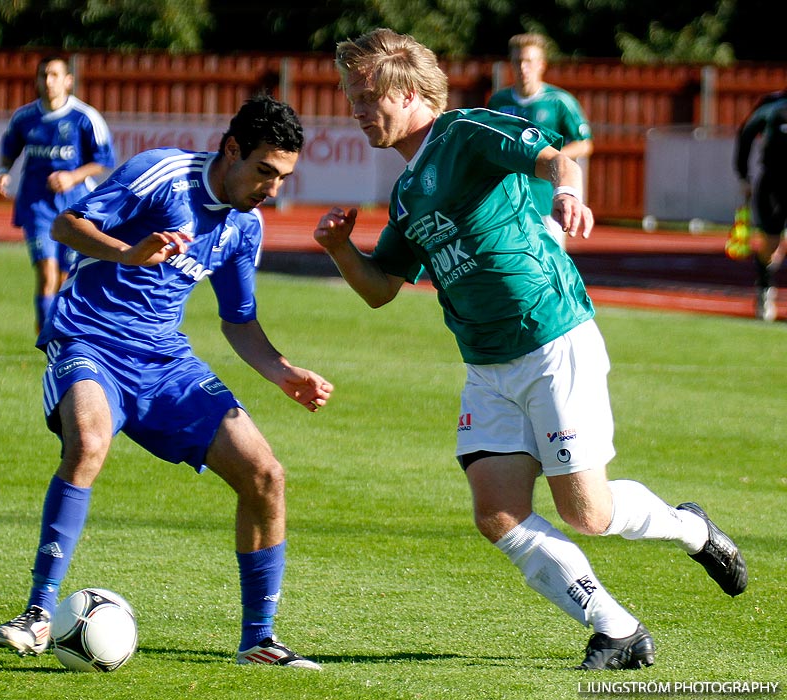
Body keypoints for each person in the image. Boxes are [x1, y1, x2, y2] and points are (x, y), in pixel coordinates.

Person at [314, 28, 747, 671]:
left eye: (363, 94)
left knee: (587, 514)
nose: (354, 110)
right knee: (497, 513)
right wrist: (340, 250)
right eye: (351, 96)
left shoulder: (465, 133)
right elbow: (381, 289)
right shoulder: (406, 194)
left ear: (407, 92)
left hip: (551, 340)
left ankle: (691, 528)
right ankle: (617, 628)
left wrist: (568, 192)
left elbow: (554, 160)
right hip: (486, 366)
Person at [0, 94, 332, 670]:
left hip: (166, 362)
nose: (271, 190)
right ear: (232, 149)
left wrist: (283, 373)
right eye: (264, 172)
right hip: (90, 340)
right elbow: (68, 224)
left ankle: (259, 640)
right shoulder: (162, 173)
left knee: (266, 475)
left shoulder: (244, 228)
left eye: (283, 178)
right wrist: (130, 254)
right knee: (89, 442)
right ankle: (38, 613)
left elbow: (238, 320)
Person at [0, 54, 116, 332]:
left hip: (75, 207)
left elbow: (104, 160)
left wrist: (72, 176)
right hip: (37, 205)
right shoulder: (25, 118)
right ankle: (47, 339)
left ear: (68, 81)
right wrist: (3, 171)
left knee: (63, 277)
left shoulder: (85, 117)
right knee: (46, 273)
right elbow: (10, 148)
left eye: (54, 75)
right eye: (43, 76)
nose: (48, 82)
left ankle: (58, 332)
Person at [487, 33, 592, 249]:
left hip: (546, 195)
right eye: (518, 61)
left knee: (550, 260)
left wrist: (551, 158)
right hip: (507, 197)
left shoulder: (559, 101)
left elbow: (585, 143)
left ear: (541, 65)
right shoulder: (499, 101)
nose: (523, 67)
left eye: (529, 61)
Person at [734, 88, 787, 322]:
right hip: (774, 182)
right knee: (771, 242)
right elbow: (746, 134)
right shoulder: (772, 106)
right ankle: (765, 289)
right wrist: (743, 175)